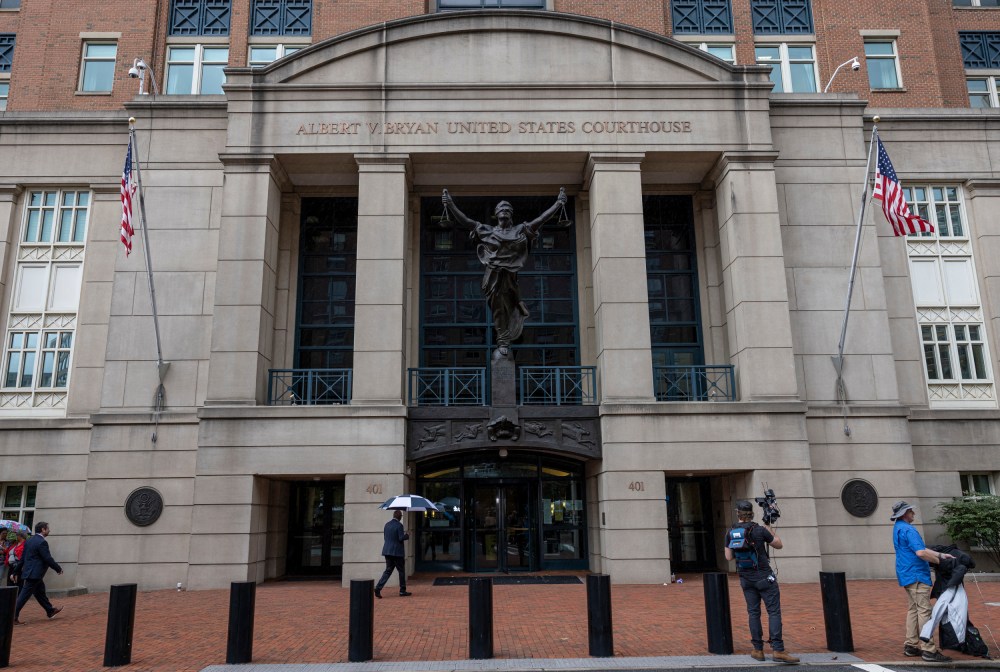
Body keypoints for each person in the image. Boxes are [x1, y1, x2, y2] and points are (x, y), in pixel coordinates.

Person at [441, 188, 568, 357]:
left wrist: (558, 204)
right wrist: (450, 204)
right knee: (499, 310)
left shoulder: (519, 230)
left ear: (511, 214)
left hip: (510, 277)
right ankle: (503, 341)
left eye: (507, 209)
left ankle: (515, 315)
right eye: (501, 209)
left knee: (510, 308)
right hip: (493, 278)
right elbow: (465, 221)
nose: (504, 211)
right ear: (496, 213)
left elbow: (541, 219)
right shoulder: (487, 231)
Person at [724, 500, 799, 663]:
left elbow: (728, 557)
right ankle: (778, 650)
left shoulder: (730, 532)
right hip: (764, 577)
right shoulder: (759, 530)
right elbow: (778, 545)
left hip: (746, 578)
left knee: (753, 612)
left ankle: (758, 650)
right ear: (751, 513)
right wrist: (769, 528)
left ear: (738, 514)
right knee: (773, 612)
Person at [890, 500, 953, 662]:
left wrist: (940, 555)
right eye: (911, 511)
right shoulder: (909, 530)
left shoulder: (898, 528)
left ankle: (911, 645)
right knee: (924, 611)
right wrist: (942, 563)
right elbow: (920, 553)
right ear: (905, 514)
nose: (913, 513)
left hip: (906, 574)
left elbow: (921, 549)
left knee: (913, 610)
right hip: (917, 574)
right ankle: (929, 650)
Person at [14, 521, 63, 625]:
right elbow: (47, 558)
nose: (49, 530)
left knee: (40, 593)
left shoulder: (29, 541)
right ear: (43, 530)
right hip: (34, 574)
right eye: (47, 528)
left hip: (32, 573)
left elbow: (22, 559)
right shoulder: (42, 542)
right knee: (23, 596)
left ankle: (50, 611)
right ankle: (12, 617)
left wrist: (15, 572)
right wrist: (58, 568)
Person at [374, 510, 410, 598]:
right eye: (401, 516)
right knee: (401, 571)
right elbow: (400, 538)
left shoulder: (387, 524)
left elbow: (386, 537)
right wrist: (407, 536)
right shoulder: (399, 525)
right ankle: (402, 590)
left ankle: (378, 588)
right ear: (400, 517)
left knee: (388, 571)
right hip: (397, 553)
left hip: (387, 551)